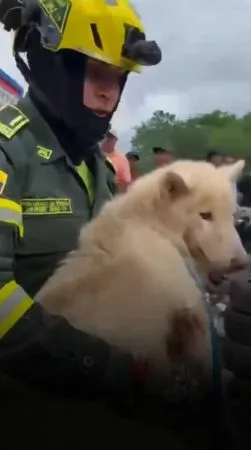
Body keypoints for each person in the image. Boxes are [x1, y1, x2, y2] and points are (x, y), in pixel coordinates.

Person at [0, 0, 194, 446]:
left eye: (119, 78)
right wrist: (105, 366)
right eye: (96, 73)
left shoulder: (97, 167)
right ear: (53, 66)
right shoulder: (11, 152)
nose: (110, 93)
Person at [101, 128, 132, 193]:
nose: (107, 139)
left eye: (110, 137)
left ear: (116, 140)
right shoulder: (92, 154)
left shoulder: (122, 159)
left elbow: (125, 184)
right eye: (105, 136)